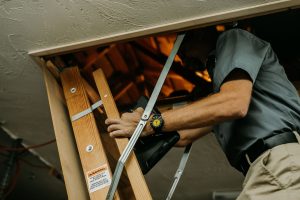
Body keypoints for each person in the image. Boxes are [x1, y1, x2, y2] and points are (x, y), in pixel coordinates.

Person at [105, 26, 300, 199]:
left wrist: (151, 123)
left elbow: (233, 104)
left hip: (279, 163)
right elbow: (183, 136)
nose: (181, 59)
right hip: (265, 168)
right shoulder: (221, 94)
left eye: (181, 45)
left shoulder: (233, 38)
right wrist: (138, 127)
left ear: (197, 31)